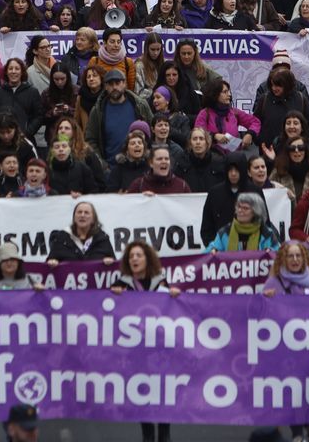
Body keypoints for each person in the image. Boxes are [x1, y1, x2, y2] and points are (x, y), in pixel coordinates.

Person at [109, 240, 180, 442]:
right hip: (135, 352)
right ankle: (147, 435)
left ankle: (164, 435)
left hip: (160, 350)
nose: (134, 259)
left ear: (147, 259)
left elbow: (172, 311)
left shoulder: (161, 282)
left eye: (138, 255)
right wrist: (112, 296)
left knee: (162, 391)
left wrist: (174, 296)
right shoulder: (120, 285)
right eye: (131, 256)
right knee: (142, 393)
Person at [85, 68, 152, 162]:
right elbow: (91, 140)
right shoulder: (98, 110)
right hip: (110, 169)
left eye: (117, 83)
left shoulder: (140, 105)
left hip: (139, 166)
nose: (114, 87)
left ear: (124, 84)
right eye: (110, 84)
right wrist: (102, 165)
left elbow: (152, 131)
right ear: (105, 86)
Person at [207, 192, 282, 252]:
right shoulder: (225, 232)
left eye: (245, 208)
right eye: (238, 207)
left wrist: (271, 252)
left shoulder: (267, 233)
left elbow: (280, 253)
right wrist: (213, 251)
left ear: (256, 212)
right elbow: (209, 251)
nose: (240, 210)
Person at [127, 145, 191, 194]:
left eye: (166, 159)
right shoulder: (138, 185)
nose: (164, 161)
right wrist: (140, 199)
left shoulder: (182, 186)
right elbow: (128, 207)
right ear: (151, 163)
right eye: (159, 159)